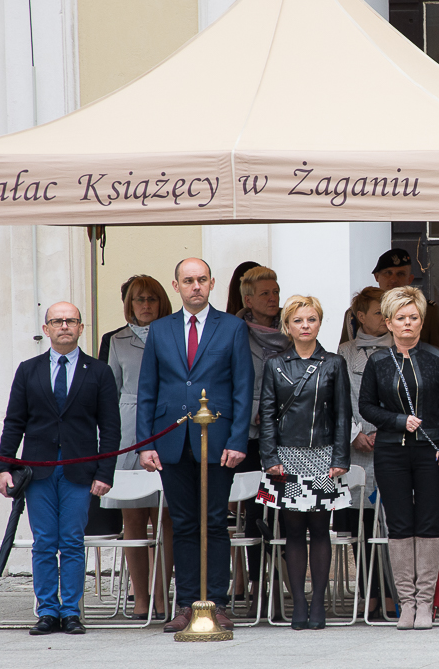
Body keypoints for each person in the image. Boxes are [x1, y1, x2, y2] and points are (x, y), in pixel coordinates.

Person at [136, 257, 253, 633]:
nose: (196, 286)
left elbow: (243, 387)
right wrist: (145, 444)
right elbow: (147, 389)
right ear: (177, 286)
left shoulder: (232, 327)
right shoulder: (160, 329)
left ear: (212, 283)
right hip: (171, 440)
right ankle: (187, 604)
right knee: (183, 523)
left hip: (218, 441)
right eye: (188, 281)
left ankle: (216, 604)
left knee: (215, 522)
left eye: (202, 279)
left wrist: (238, 439)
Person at [0, 303, 120, 635]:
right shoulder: (28, 370)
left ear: (80, 328)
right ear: (46, 329)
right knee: (44, 542)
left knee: (73, 541)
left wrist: (105, 473)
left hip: (79, 471)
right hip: (39, 471)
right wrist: (3, 466)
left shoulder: (99, 371)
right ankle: (48, 611)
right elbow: (14, 422)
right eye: (57, 321)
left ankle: (71, 612)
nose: (64, 326)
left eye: (71, 321)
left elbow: (110, 428)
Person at [358, 286, 439, 630]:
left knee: (428, 523)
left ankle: (425, 604)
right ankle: (406, 603)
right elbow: (366, 406)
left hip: (433, 452)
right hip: (391, 450)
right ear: (388, 322)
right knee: (400, 524)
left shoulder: (437, 357)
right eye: (401, 317)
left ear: (422, 321)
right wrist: (398, 420)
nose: (408, 323)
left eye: (413, 317)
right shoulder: (377, 361)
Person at [257, 295, 352, 629]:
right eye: (298, 320)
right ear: (287, 326)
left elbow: (343, 414)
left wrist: (340, 457)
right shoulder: (275, 364)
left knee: (321, 530)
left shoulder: (334, 363)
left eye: (311, 319)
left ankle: (319, 604)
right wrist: (270, 457)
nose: (305, 326)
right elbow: (267, 414)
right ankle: (299, 603)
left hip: (324, 455)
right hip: (287, 457)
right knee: (293, 531)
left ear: (320, 323)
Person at [102, 275, 174, 620]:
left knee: (167, 517)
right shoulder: (117, 340)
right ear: (129, 304)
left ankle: (163, 597)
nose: (145, 305)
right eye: (138, 299)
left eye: (151, 299)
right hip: (128, 428)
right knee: (132, 517)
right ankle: (141, 598)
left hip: (168, 423)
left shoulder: (174, 334)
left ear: (162, 302)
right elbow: (109, 393)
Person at [337, 285, 392, 615]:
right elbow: (338, 398)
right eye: (378, 312)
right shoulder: (346, 352)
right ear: (360, 316)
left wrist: (387, 430)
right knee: (363, 523)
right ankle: (370, 593)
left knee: (392, 524)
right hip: (358, 451)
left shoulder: (400, 347)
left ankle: (394, 595)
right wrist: (355, 433)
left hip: (391, 445)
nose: (385, 318)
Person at [235, 265, 288, 602]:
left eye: (276, 292)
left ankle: (284, 582)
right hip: (250, 435)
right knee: (256, 510)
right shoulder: (234, 332)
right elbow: (228, 382)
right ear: (248, 300)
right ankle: (257, 582)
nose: (273, 298)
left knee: (286, 511)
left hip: (287, 436)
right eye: (265, 293)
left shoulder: (293, 327)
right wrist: (255, 409)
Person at [339, 249, 439, 356]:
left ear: (410, 279)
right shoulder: (357, 312)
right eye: (388, 273)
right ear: (377, 277)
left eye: (400, 274)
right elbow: (347, 356)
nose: (393, 279)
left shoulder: (428, 312)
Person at [98, 275, 142, 362]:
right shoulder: (111, 339)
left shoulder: (168, 334)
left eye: (151, 299)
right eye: (140, 300)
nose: (146, 305)